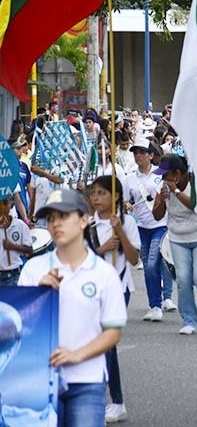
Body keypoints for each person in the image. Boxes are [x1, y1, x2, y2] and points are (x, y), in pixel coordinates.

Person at [18, 189, 126, 427]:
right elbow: (18, 326)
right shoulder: (33, 270)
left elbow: (113, 331)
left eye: (64, 216)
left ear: (84, 219)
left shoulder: (104, 273)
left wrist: (77, 355)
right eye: (51, 218)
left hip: (87, 381)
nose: (56, 224)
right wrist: (38, 294)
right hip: (38, 379)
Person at [85, 176, 141, 424]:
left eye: (102, 193)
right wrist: (102, 248)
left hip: (119, 287)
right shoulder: (88, 225)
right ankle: (111, 400)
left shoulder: (127, 222)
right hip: (93, 289)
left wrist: (120, 232)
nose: (96, 198)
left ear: (116, 196)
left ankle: (108, 400)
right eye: (93, 193)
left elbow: (134, 259)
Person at [152, 154, 197, 335]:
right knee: (183, 280)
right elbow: (157, 216)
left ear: (177, 174)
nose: (163, 179)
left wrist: (175, 192)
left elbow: (196, 206)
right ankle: (188, 320)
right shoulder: (164, 187)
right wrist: (160, 200)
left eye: (165, 175)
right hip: (178, 238)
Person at [126, 138, 177, 321]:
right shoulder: (129, 178)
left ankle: (162, 301)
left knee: (152, 263)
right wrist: (126, 205)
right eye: (135, 153)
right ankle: (154, 305)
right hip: (141, 227)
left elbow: (170, 195)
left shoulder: (159, 175)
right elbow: (126, 200)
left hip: (160, 225)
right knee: (149, 268)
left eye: (141, 152)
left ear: (150, 155)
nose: (138, 156)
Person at [0, 197, 32, 286]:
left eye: (5, 203)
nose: (2, 207)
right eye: (0, 204)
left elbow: (29, 251)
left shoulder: (20, 225)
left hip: (14, 275)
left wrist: (12, 246)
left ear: (12, 205)